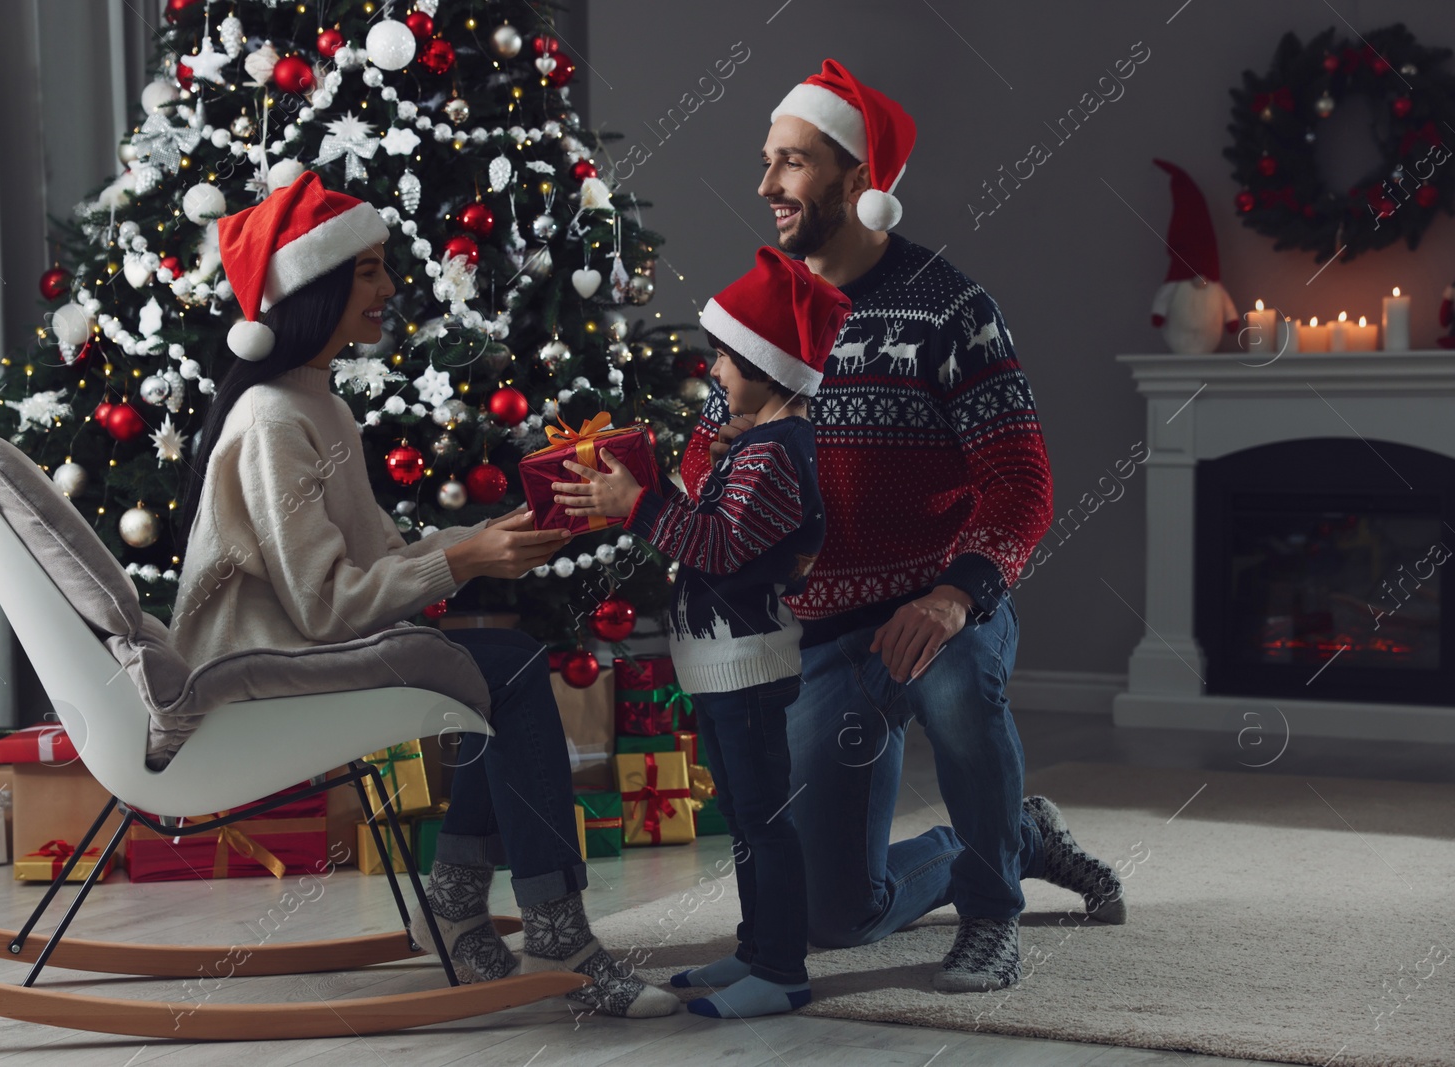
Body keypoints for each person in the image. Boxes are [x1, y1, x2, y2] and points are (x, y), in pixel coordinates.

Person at [169, 170, 677, 1019]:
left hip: (300, 650)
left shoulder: (310, 403)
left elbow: (375, 561)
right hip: (262, 675)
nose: (392, 288)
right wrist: (466, 557)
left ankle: (464, 902)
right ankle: (545, 921)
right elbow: (327, 606)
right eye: (368, 271)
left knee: (498, 664)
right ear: (312, 286)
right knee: (505, 669)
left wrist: (486, 544)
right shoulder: (272, 420)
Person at [680, 60, 1127, 993]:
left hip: (938, 599)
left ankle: (994, 912)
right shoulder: (764, 316)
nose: (765, 186)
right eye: (767, 161)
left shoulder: (951, 309)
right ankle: (1019, 833)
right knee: (832, 917)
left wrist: (958, 594)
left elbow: (1022, 483)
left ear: (857, 179)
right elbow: (706, 464)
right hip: (821, 634)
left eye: (792, 163)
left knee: (961, 686)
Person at [555, 247, 851, 1018]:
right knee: (745, 817)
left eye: (726, 355)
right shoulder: (753, 444)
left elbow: (715, 545)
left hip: (749, 664)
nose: (713, 369)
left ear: (765, 360)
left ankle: (783, 968)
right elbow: (709, 504)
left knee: (764, 818)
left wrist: (635, 507)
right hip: (722, 666)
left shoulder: (779, 455)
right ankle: (756, 947)